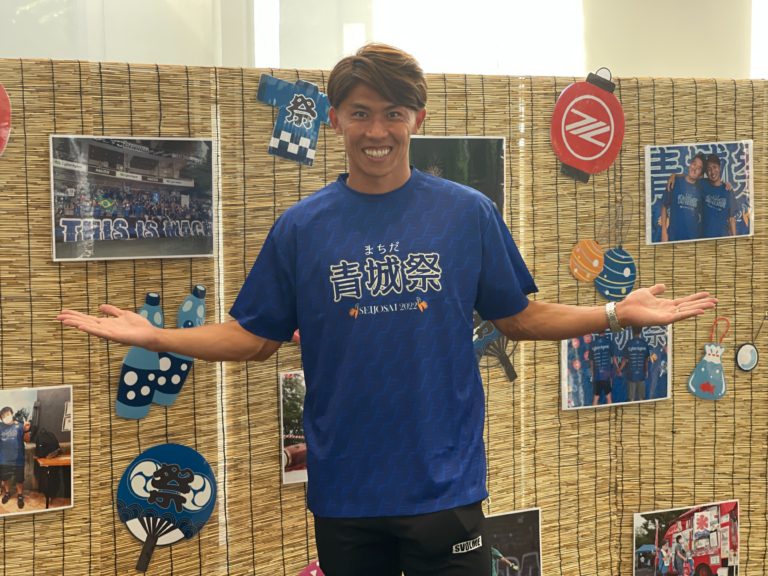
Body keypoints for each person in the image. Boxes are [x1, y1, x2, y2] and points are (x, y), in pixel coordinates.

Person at [57, 44, 717, 576]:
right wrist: (159, 337)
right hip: (347, 493)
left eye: (393, 113)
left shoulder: (466, 214)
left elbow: (519, 317)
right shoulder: (302, 228)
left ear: (417, 120)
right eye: (361, 112)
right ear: (334, 119)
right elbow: (254, 337)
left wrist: (614, 314)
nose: (377, 130)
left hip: (446, 487)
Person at [661, 153, 705, 242]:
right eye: (694, 164)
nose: (695, 169)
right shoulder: (674, 182)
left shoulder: (702, 188)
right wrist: (664, 232)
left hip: (694, 238)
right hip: (673, 237)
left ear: (701, 174)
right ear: (690, 164)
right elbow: (664, 206)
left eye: (699, 168)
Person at [699, 154, 736, 239]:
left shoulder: (728, 190)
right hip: (704, 238)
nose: (712, 172)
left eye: (714, 167)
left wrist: (735, 239)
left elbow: (732, 219)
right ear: (706, 172)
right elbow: (690, 178)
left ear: (719, 168)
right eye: (709, 169)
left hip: (723, 238)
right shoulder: (702, 184)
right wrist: (674, 176)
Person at [0, 406, 26, 510]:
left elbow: (27, 438)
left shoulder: (20, 426)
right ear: (1, 418)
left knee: (19, 480)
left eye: (8, 414)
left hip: (18, 459)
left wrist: (27, 429)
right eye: (3, 416)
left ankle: (20, 496)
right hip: (4, 459)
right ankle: (7, 493)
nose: (6, 417)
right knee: (5, 479)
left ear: (12, 414)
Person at [620, 327, 651, 402]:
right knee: (641, 398)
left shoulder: (629, 343)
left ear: (632, 332)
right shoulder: (644, 343)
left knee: (631, 398)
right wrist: (646, 371)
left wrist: (619, 369)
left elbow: (624, 359)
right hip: (641, 374)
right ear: (640, 332)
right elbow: (646, 360)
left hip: (631, 374)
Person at [588, 330, 615, 405]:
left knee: (596, 397)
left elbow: (591, 361)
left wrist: (592, 373)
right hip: (606, 375)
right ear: (604, 332)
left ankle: (593, 412)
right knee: (608, 397)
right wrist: (615, 371)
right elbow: (613, 358)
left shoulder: (592, 344)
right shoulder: (609, 342)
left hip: (597, 375)